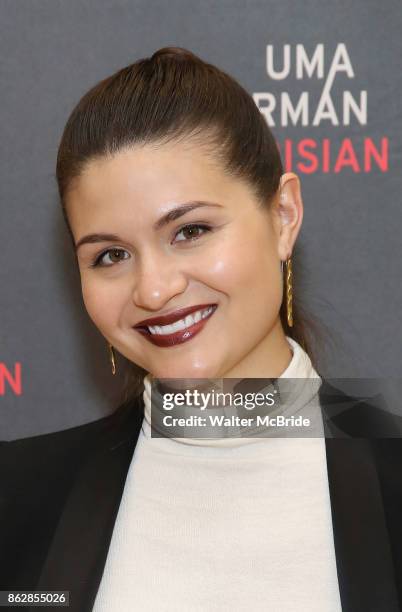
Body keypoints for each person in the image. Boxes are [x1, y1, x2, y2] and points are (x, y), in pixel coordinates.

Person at [1, 47, 402, 612]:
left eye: (190, 231)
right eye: (111, 255)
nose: (153, 289)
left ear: (283, 216)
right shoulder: (17, 500)